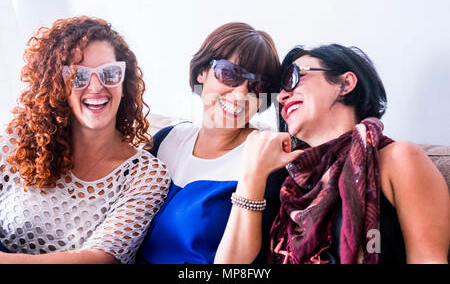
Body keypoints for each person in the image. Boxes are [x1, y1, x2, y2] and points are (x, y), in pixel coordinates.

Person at [215, 44, 449, 264]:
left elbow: (429, 259)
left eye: (293, 78)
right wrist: (252, 174)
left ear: (345, 83)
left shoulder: (398, 158)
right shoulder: (289, 184)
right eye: (279, 91)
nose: (282, 96)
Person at [0, 16, 170, 264]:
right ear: (57, 86)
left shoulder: (145, 174)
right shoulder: (18, 140)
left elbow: (98, 260)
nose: (95, 86)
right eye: (78, 76)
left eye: (109, 73)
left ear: (125, 81)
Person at [136, 22, 290, 264]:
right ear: (202, 72)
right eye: (230, 74)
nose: (241, 94)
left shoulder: (265, 158)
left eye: (258, 86)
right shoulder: (165, 140)